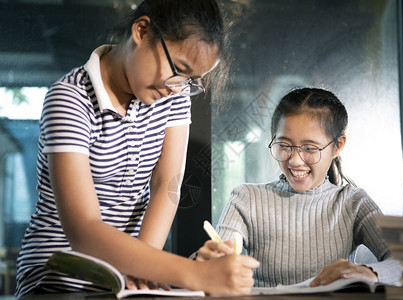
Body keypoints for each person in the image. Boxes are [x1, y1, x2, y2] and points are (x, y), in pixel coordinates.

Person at [15, 0, 259, 298]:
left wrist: (141, 270)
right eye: (179, 69)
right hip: (57, 275)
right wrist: (195, 273)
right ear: (142, 31)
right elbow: (83, 231)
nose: (177, 87)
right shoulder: (70, 98)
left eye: (191, 81)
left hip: (123, 277)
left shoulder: (173, 96)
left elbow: (165, 186)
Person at [196, 87, 401, 287]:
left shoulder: (353, 203)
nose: (295, 161)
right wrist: (206, 261)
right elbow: (216, 254)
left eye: (309, 148)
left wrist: (369, 271)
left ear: (338, 145)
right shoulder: (247, 198)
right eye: (284, 145)